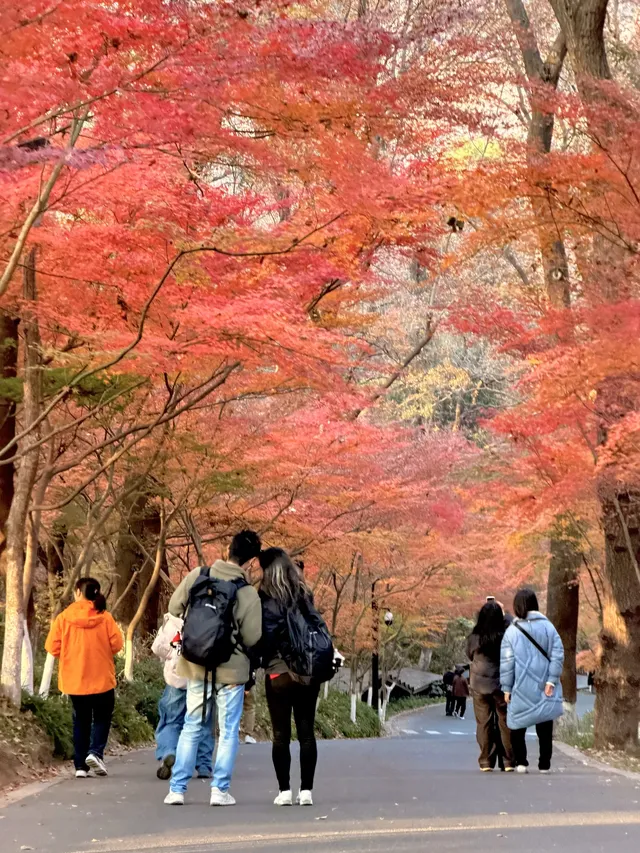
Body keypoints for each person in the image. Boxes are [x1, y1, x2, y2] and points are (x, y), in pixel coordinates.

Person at [164, 529, 262, 806]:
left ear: (227, 550)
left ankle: (177, 790)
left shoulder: (199, 575)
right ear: (251, 562)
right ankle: (219, 791)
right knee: (228, 730)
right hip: (231, 671)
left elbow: (174, 605)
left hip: (196, 664)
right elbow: (253, 637)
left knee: (191, 725)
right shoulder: (247, 593)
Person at [259, 547, 322, 807]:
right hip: (307, 671)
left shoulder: (265, 595)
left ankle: (284, 791)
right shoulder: (305, 592)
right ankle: (306, 791)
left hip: (278, 671)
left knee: (280, 734)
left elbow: (266, 636)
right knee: (306, 732)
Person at [45, 577, 123, 778]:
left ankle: (80, 766)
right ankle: (96, 752)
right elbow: (117, 645)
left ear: (78, 592)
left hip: (75, 680)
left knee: (81, 720)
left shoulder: (63, 618)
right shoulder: (105, 617)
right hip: (102, 679)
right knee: (102, 718)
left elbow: (52, 647)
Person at [500, 588, 564, 774]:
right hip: (544, 684)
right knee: (545, 724)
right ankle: (544, 764)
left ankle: (521, 762)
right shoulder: (548, 627)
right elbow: (557, 655)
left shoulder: (512, 632)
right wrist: (552, 680)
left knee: (517, 725)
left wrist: (506, 687)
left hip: (520, 685)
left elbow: (507, 662)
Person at [152, 612, 214, 780]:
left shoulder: (173, 621)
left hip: (176, 679)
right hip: (202, 678)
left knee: (171, 721)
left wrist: (173, 654)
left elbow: (157, 647)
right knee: (203, 723)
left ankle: (168, 752)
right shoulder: (209, 617)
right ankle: (203, 765)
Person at [466, 602, 514, 772]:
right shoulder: (506, 636)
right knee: (505, 721)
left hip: (479, 684)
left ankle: (486, 761)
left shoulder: (474, 638)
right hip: (501, 683)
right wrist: (505, 613)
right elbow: (511, 623)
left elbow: (469, 655)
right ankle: (508, 761)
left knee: (484, 723)